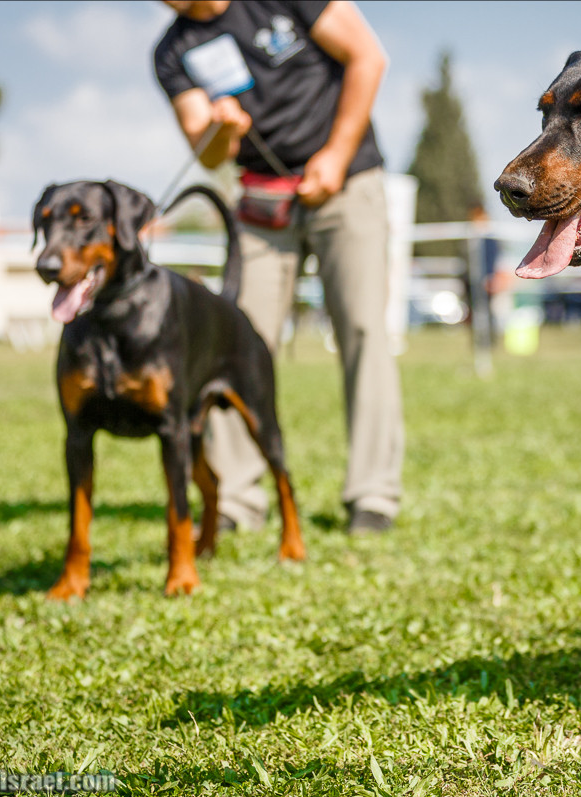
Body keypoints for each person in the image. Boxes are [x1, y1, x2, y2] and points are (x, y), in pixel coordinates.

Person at [153, 0, 403, 534]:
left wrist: (335, 156)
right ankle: (237, 503)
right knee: (234, 344)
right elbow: (210, 153)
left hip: (346, 182)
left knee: (362, 331)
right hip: (261, 205)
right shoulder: (172, 51)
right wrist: (223, 129)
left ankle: (372, 496)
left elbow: (367, 57)